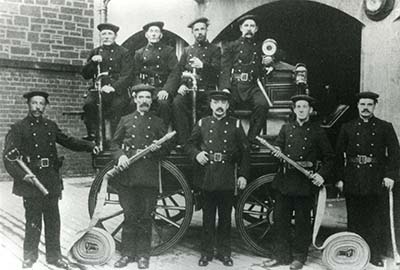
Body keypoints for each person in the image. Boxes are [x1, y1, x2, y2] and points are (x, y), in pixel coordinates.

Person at [2, 91, 99, 269]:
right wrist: (23, 176)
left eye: (41, 103)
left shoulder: (50, 126)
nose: (38, 107)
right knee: (33, 220)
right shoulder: (18, 128)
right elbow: (8, 157)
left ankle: (54, 257)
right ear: (28, 105)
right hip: (31, 180)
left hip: (50, 179)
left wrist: (90, 146)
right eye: (34, 103)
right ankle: (29, 256)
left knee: (53, 220)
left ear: (45, 106)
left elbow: (68, 141)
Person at [265, 95, 334, 270]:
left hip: (304, 184)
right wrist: (277, 150)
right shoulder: (286, 128)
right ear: (294, 110)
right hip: (285, 182)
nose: (301, 109)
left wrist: (321, 175)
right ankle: (280, 256)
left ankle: (299, 257)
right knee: (280, 221)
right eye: (298, 107)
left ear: (310, 110)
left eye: (305, 107)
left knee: (303, 223)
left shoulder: (318, 131)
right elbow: (278, 147)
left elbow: (329, 158)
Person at [186, 90, 250, 267]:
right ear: (211, 105)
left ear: (228, 105)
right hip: (207, 176)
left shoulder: (235, 124)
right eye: (216, 102)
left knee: (224, 219)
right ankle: (206, 254)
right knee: (207, 218)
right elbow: (189, 144)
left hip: (227, 177)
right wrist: (197, 154)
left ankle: (224, 253)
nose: (219, 106)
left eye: (223, 102)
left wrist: (243, 174)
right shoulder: (202, 123)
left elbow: (245, 151)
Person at [336, 91, 400, 267]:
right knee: (355, 218)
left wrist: (390, 175)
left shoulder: (385, 127)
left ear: (374, 106)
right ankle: (354, 251)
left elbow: (395, 155)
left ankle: (374, 254)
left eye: (369, 104)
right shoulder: (347, 127)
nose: (365, 108)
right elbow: (337, 156)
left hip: (376, 178)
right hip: (353, 178)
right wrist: (340, 179)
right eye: (362, 104)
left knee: (375, 219)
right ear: (358, 106)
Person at [111, 84, 170, 269]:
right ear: (135, 99)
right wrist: (120, 155)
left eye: (147, 97)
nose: (144, 100)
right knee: (129, 215)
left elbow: (168, 148)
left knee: (145, 216)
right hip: (128, 175)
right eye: (141, 97)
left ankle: (144, 255)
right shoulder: (125, 120)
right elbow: (114, 143)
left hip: (148, 175)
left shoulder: (159, 122)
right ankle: (127, 254)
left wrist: (158, 148)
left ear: (151, 101)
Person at [219, 14, 270, 149]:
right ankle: (231, 139)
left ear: (256, 29)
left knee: (263, 104)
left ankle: (252, 138)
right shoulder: (231, 46)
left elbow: (280, 53)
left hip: (253, 86)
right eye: (246, 26)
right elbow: (225, 68)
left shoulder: (260, 47)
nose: (249, 29)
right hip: (236, 86)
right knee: (226, 107)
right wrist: (225, 88)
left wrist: (271, 60)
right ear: (241, 28)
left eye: (252, 26)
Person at [171, 17, 221, 147]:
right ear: (192, 32)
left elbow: (217, 71)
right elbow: (179, 71)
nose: (199, 32)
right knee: (177, 102)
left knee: (207, 106)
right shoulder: (187, 50)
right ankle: (184, 141)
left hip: (206, 88)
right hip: (189, 88)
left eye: (202, 29)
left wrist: (203, 66)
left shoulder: (215, 49)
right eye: (196, 30)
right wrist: (181, 84)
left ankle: (203, 141)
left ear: (206, 31)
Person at [81, 22, 132, 140]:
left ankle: (116, 138)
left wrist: (113, 87)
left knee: (117, 106)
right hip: (98, 89)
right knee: (89, 104)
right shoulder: (95, 52)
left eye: (110, 34)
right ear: (100, 36)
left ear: (115, 36)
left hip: (117, 90)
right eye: (104, 34)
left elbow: (127, 75)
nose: (107, 36)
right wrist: (92, 62)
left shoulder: (124, 52)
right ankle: (93, 135)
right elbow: (85, 75)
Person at [132, 21, 178, 126]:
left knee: (164, 104)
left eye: (156, 31)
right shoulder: (139, 53)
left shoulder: (169, 51)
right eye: (151, 31)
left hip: (161, 88)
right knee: (132, 104)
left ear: (161, 35)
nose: (153, 34)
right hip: (144, 87)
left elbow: (175, 73)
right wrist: (138, 89)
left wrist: (166, 90)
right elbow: (134, 73)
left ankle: (162, 136)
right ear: (146, 35)